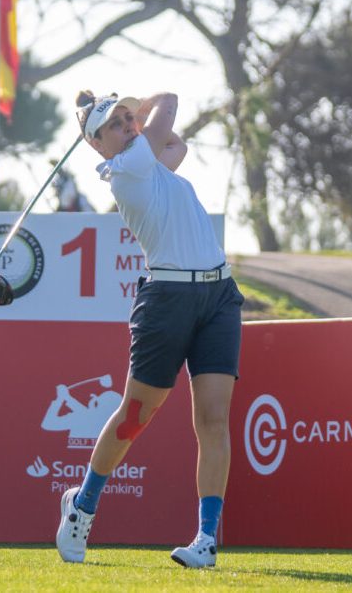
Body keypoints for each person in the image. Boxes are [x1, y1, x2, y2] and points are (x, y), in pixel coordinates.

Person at [55, 90, 244, 568]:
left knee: (214, 420)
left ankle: (206, 540)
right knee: (137, 414)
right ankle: (82, 506)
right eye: (115, 125)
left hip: (219, 294)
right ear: (97, 146)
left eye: (127, 119)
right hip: (167, 300)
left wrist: (122, 110)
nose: (127, 126)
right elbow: (172, 103)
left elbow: (174, 144)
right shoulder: (129, 172)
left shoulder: (152, 164)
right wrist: (137, 107)